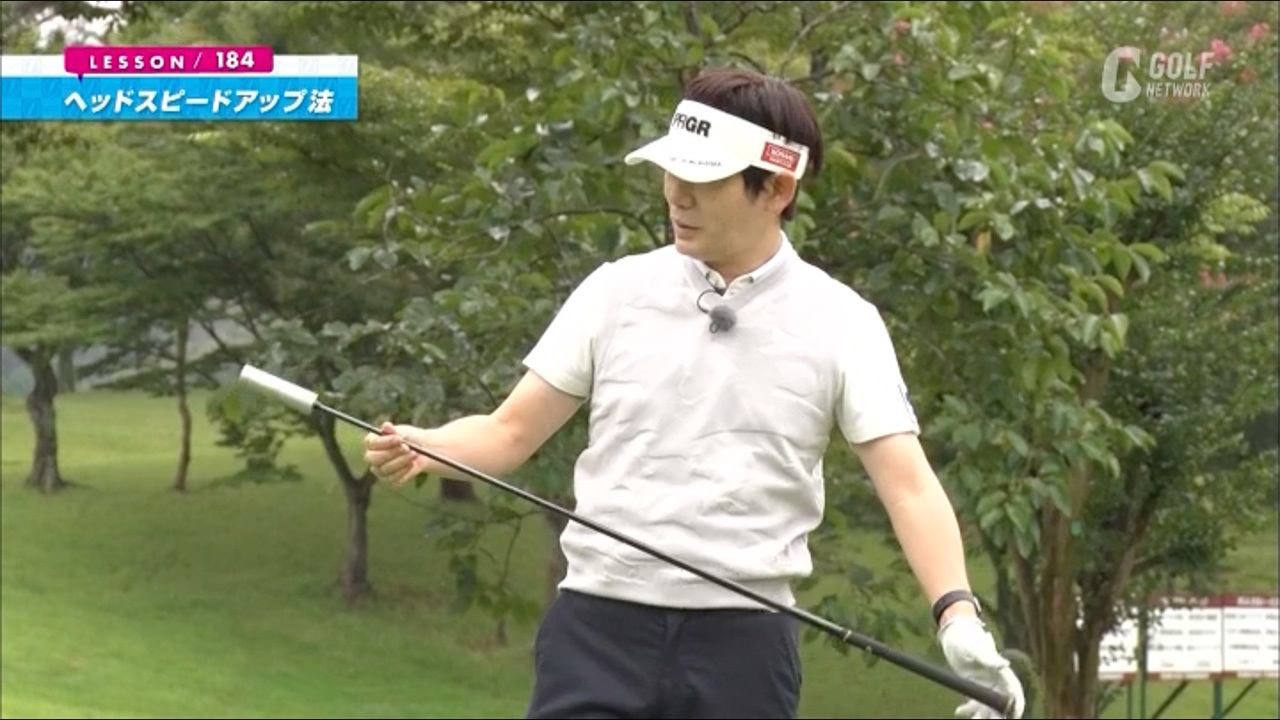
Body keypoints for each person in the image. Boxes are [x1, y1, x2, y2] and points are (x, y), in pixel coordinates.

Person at [363, 67, 1025, 720]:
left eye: (704, 179)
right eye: (671, 171)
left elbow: (908, 486)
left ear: (777, 187)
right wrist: (427, 445)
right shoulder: (616, 291)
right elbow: (509, 432)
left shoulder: (842, 321)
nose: (676, 195)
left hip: (745, 649)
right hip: (598, 630)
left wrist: (958, 617)